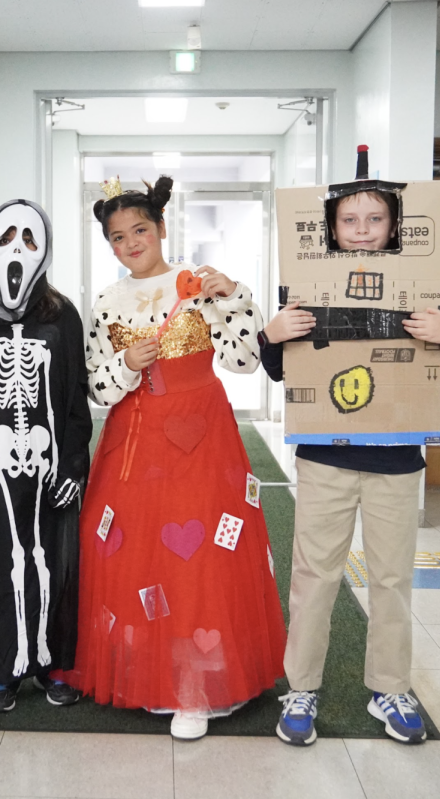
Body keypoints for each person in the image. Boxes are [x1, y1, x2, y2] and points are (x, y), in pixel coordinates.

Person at [62, 176, 287, 741]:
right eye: (118, 237)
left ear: (162, 228)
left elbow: (242, 362)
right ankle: (143, 671)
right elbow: (96, 388)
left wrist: (235, 294)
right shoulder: (107, 302)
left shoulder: (199, 285)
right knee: (128, 552)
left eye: (140, 229)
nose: (131, 242)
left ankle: (196, 687)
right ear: (109, 246)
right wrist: (128, 366)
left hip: (203, 438)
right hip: (133, 442)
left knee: (205, 553)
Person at [263, 179, 440, 746]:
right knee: (314, 575)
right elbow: (282, 372)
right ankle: (301, 686)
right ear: (330, 229)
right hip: (325, 458)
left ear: (393, 227)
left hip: (398, 461)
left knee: (391, 579)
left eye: (374, 220)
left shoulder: (422, 288)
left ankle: (389, 688)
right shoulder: (307, 287)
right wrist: (272, 334)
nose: (361, 231)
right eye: (349, 221)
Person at [0, 199, 93, 712]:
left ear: (46, 249)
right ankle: (2, 670)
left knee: (53, 558)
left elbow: (76, 398)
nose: (18, 248)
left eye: (30, 240)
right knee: (0, 562)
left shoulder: (63, 315)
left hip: (51, 463)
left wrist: (75, 465)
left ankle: (52, 666)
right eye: (7, 236)